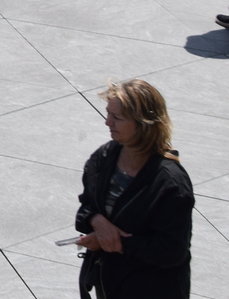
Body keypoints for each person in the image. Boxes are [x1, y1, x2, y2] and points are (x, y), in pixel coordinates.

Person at [73, 80, 194, 299]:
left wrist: (115, 243)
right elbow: (87, 205)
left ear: (143, 124)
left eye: (117, 118)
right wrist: (96, 220)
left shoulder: (170, 184)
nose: (107, 122)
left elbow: (170, 250)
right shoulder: (104, 157)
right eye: (108, 114)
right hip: (108, 283)